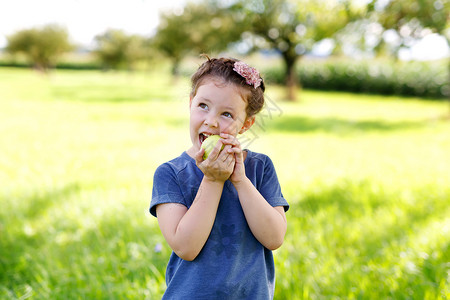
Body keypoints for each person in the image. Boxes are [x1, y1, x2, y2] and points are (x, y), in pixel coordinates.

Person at [150, 56, 289, 299]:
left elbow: (274, 237)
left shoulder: (260, 168)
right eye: (203, 106)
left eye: (227, 114)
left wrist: (240, 181)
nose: (211, 121)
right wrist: (213, 180)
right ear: (191, 103)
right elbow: (186, 247)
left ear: (246, 124)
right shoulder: (171, 173)